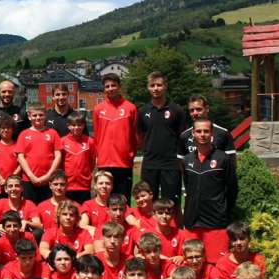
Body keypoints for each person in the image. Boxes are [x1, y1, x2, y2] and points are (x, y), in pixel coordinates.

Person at [182, 118, 238, 263]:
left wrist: (224, 211)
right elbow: (188, 187)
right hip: (192, 222)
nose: (202, 134)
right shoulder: (187, 160)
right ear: (193, 134)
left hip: (216, 223)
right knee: (192, 263)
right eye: (198, 131)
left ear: (211, 134)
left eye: (206, 131)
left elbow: (232, 189)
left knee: (216, 264)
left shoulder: (223, 159)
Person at [136, 71, 188, 207]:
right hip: (150, 163)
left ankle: (175, 228)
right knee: (147, 202)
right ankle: (150, 228)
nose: (155, 88)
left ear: (165, 86)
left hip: (171, 164)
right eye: (152, 85)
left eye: (159, 85)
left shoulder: (177, 110)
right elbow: (140, 136)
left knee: (172, 203)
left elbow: (183, 137)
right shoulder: (142, 111)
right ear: (148, 87)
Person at [92, 74, 137, 199]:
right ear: (104, 89)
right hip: (104, 163)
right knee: (104, 200)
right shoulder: (98, 109)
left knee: (123, 200)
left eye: (113, 85)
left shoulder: (130, 108)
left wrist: (130, 155)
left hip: (123, 163)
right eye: (107, 86)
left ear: (119, 87)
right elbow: (97, 136)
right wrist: (98, 156)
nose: (110, 88)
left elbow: (134, 136)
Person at [16, 103, 63, 205]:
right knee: (30, 207)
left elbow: (58, 155)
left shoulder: (53, 133)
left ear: (45, 116)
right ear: (29, 117)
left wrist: (49, 175)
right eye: (35, 115)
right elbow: (20, 157)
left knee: (49, 207)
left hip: (49, 180)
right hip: (29, 180)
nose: (38, 117)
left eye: (41, 115)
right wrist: (31, 176)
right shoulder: (24, 134)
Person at [178, 94, 235, 163]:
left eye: (199, 109)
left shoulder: (223, 133)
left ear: (207, 109)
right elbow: (181, 164)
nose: (195, 113)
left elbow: (231, 163)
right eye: (191, 110)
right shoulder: (184, 136)